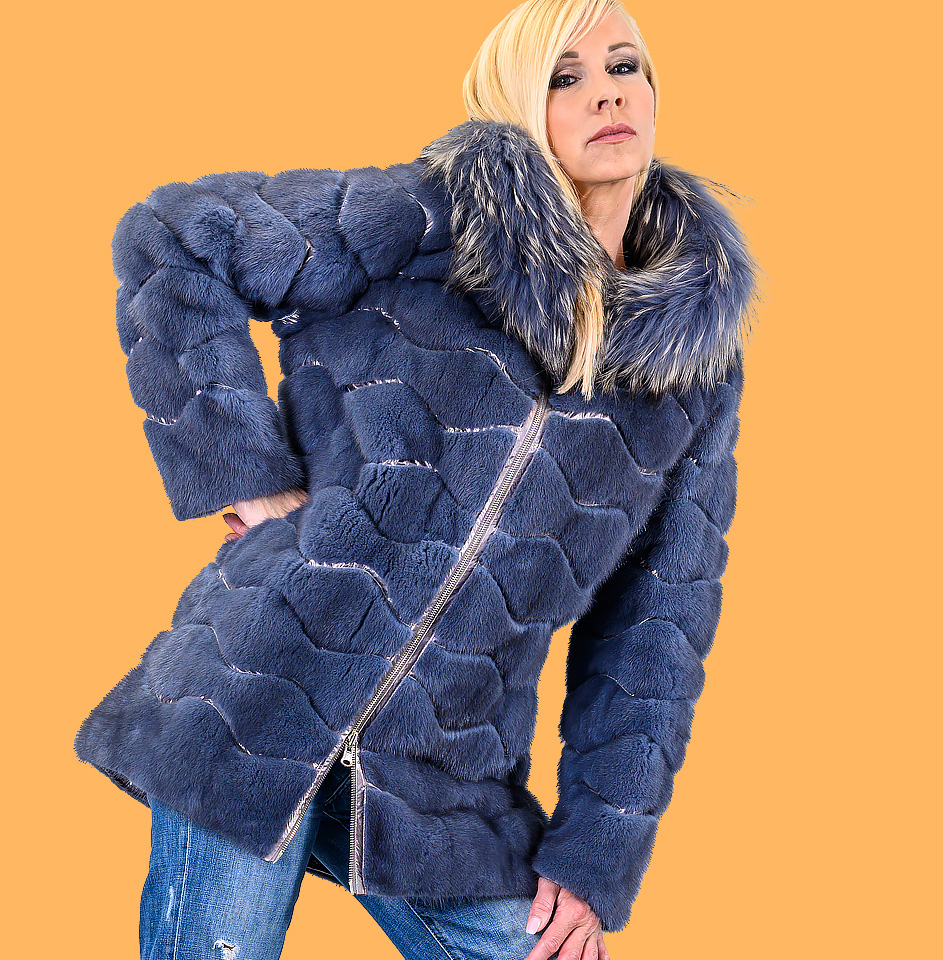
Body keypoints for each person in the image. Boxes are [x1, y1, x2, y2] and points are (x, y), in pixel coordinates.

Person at [73, 0, 760, 957]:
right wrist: (245, 470)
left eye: (625, 65)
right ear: (516, 102)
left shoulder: (693, 366)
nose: (607, 92)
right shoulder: (427, 222)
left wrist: (596, 852)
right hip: (256, 703)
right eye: (563, 77)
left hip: (440, 781)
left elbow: (659, 625)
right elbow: (178, 237)